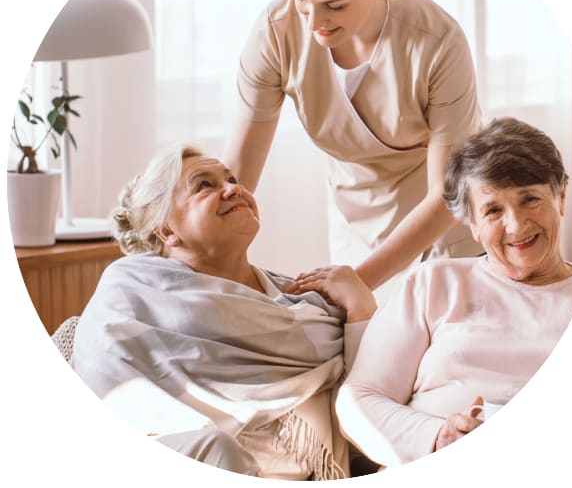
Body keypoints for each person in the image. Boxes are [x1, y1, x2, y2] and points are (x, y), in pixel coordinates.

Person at [222, 0, 483, 301]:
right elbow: (236, 175)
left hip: (439, 238)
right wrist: (207, 269)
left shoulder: (435, 41)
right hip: (353, 236)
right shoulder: (276, 30)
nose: (314, 22)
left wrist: (357, 282)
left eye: (335, 6)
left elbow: (446, 195)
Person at [70, 143, 377, 480]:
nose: (234, 189)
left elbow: (373, 400)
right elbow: (109, 389)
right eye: (205, 185)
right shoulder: (131, 288)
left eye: (231, 179)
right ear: (167, 231)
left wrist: (361, 308)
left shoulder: (310, 302)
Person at [333, 117, 572, 467]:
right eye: (493, 210)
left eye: (530, 199)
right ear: (471, 224)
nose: (515, 225)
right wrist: (439, 438)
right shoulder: (432, 284)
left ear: (561, 196)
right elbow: (359, 399)